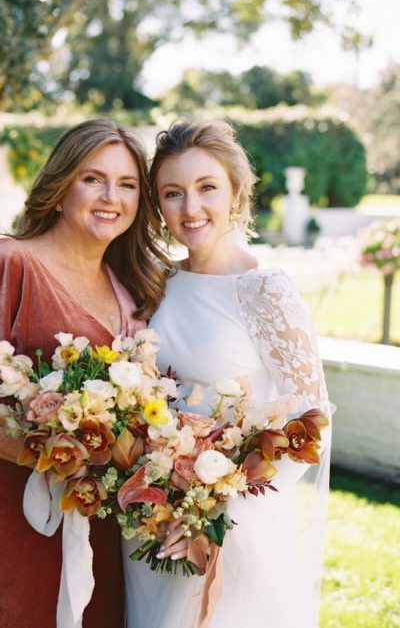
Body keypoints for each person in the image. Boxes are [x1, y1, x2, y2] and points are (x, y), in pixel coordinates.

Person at [0, 118, 170, 626]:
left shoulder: (130, 285)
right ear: (60, 187)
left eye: (126, 185)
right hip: (14, 510)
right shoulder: (7, 264)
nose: (111, 197)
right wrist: (56, 457)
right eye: (92, 178)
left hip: (99, 515)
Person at [123, 118, 332, 628]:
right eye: (173, 193)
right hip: (153, 514)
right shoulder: (160, 281)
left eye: (206, 188)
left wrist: (214, 515)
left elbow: (312, 420)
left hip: (231, 527)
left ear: (235, 191)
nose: (190, 209)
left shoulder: (264, 289)